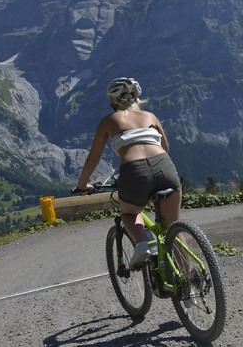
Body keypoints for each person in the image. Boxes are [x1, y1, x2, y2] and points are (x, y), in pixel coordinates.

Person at [75, 77, 182, 269]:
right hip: (164, 166)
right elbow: (165, 148)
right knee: (174, 228)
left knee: (130, 213)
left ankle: (142, 244)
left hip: (134, 171)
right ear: (137, 99)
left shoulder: (108, 121)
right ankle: (188, 289)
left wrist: (82, 185)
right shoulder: (151, 116)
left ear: (112, 102)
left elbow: (93, 159)